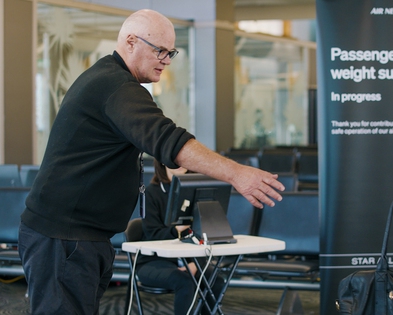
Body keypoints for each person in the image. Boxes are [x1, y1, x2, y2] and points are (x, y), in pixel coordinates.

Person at [18, 9, 284, 315]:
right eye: (160, 51)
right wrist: (237, 173)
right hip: (62, 237)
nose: (167, 60)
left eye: (171, 52)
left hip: (82, 237)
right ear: (131, 42)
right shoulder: (116, 87)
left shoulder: (114, 82)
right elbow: (168, 140)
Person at [135, 160, 223, 315]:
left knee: (216, 280)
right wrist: (177, 231)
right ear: (163, 162)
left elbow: (203, 234)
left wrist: (196, 264)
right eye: (174, 160)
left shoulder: (197, 191)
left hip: (190, 260)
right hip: (153, 262)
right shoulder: (151, 193)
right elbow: (153, 235)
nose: (180, 164)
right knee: (185, 282)